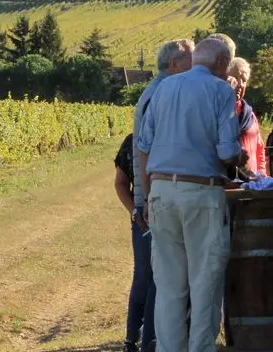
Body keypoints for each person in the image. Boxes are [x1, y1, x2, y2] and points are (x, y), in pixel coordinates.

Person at [136, 38, 246, 352]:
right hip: (201, 192)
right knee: (205, 283)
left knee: (169, 288)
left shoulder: (165, 88)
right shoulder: (220, 90)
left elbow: (143, 146)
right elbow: (226, 150)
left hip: (161, 191)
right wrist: (239, 158)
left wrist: (145, 196)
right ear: (223, 63)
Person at [116, 39, 194, 352]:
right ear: (175, 64)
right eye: (191, 58)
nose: (196, 64)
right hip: (151, 203)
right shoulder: (159, 96)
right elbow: (132, 169)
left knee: (154, 276)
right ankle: (143, 340)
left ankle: (142, 340)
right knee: (152, 277)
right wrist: (140, 205)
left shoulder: (159, 93)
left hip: (149, 202)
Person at [227, 57, 266, 177]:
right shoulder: (216, 112)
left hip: (251, 184)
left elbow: (259, 149)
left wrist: (262, 175)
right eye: (235, 79)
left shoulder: (249, 114)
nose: (239, 84)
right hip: (226, 184)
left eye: (243, 80)